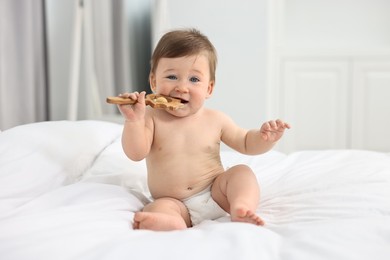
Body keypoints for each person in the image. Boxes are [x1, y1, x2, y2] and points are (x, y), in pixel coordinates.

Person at [117, 28, 290, 231]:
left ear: (209, 88)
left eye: (194, 79)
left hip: (216, 193)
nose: (182, 87)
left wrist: (265, 138)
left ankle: (241, 206)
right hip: (175, 202)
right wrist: (134, 122)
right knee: (158, 207)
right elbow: (136, 153)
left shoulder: (215, 119)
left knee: (241, 173)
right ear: (154, 81)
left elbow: (245, 142)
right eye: (172, 77)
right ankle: (172, 222)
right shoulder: (150, 118)